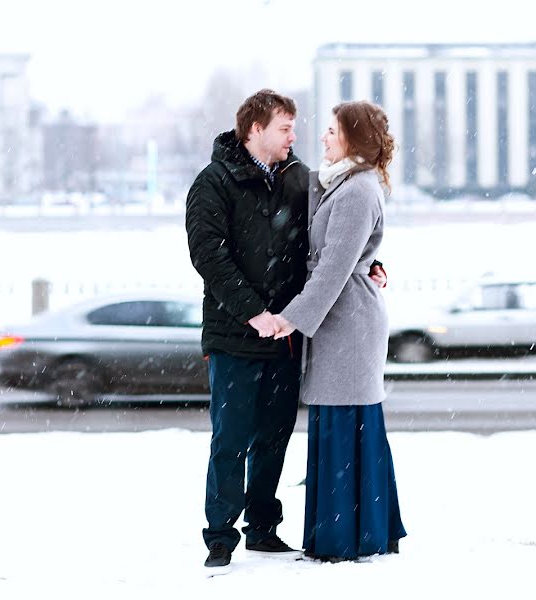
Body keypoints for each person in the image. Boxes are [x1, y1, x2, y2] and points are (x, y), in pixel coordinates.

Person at [185, 90, 386, 573]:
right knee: (230, 439)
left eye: (295, 127)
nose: (295, 137)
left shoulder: (301, 180)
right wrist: (252, 311)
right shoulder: (213, 182)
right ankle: (220, 535)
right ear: (254, 129)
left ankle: (262, 527)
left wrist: (370, 261)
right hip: (236, 334)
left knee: (274, 438)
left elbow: (334, 235)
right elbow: (208, 255)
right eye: (285, 128)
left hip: (286, 335)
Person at [270, 101, 407, 562]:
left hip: (347, 326)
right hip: (336, 323)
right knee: (338, 428)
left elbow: (333, 268)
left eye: (332, 131)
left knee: (345, 429)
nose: (323, 137)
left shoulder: (358, 190)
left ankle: (345, 538)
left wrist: (291, 317)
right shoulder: (339, 181)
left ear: (353, 137)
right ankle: (351, 532)